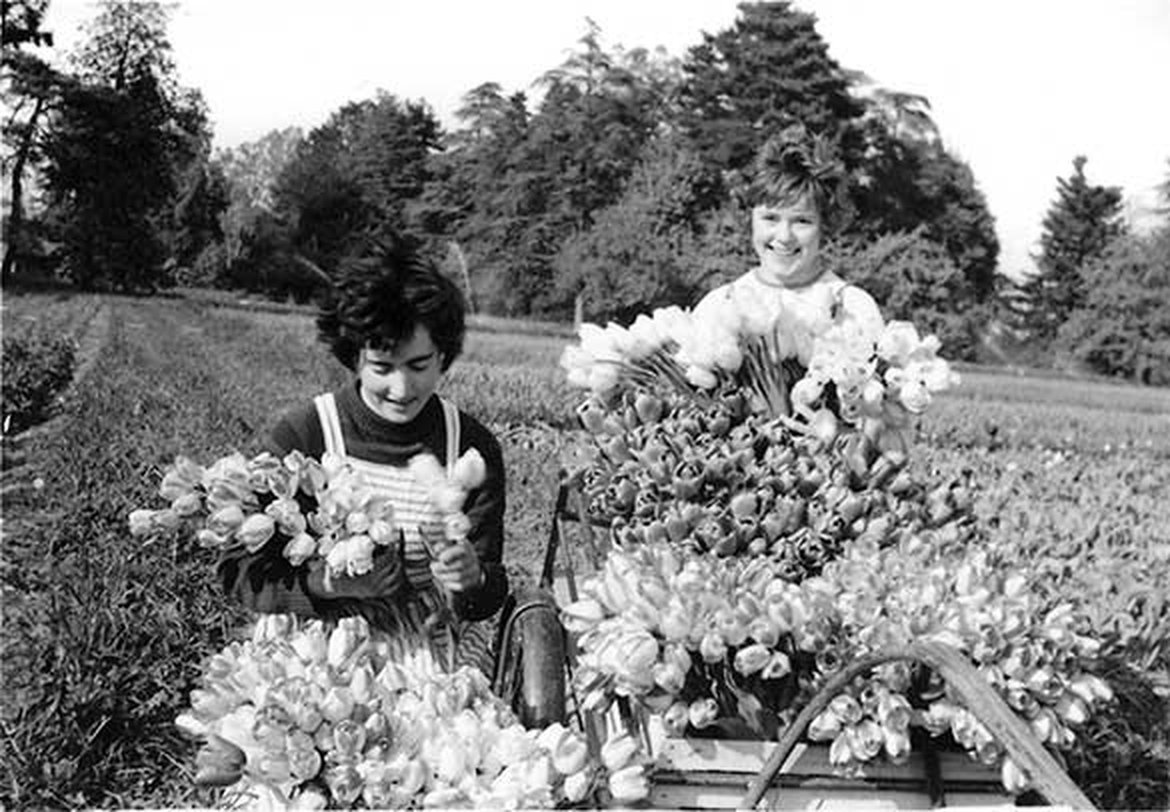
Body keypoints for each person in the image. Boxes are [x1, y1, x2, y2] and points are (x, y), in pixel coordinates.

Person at [218, 236, 507, 677]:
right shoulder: (309, 433)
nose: (401, 389)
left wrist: (473, 579)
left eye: (418, 365)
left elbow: (488, 594)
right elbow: (239, 573)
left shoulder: (467, 446)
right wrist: (324, 583)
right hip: (313, 646)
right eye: (382, 367)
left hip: (423, 649)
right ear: (354, 356)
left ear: (443, 355)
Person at [694, 124, 884, 359]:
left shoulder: (854, 309)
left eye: (802, 221)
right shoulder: (717, 307)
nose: (784, 237)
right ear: (749, 218)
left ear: (824, 225)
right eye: (770, 218)